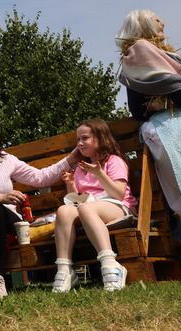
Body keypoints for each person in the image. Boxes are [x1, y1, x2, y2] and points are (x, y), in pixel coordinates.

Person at [116, 9, 181, 240]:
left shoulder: (135, 56)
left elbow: (139, 108)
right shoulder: (143, 50)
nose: (163, 22)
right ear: (144, 24)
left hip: (164, 129)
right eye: (156, 19)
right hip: (174, 129)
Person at [0, 114, 78, 298]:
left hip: (1, 221)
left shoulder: (5, 159)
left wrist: (71, 158)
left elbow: (40, 177)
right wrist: (0, 196)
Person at [52, 119, 138, 293]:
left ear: (100, 138)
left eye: (85, 138)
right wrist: (70, 183)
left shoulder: (114, 161)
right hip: (89, 207)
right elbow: (77, 198)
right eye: (78, 139)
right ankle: (65, 270)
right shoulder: (80, 167)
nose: (80, 143)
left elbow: (118, 194)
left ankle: (111, 265)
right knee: (63, 211)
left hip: (118, 207)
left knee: (85, 208)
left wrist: (99, 173)